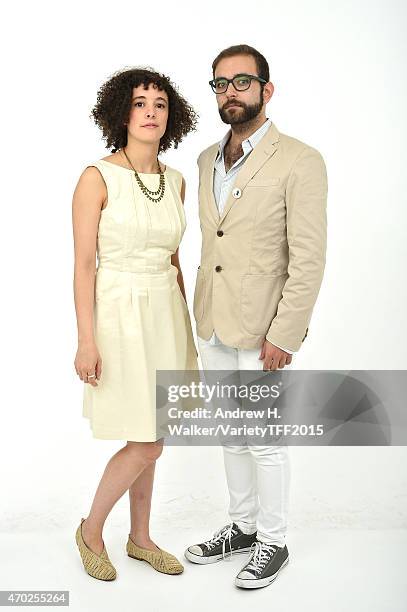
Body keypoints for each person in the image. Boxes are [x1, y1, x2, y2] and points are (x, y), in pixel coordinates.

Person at [184, 44, 328, 589]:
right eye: (220, 84)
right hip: (214, 323)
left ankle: (274, 541)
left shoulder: (300, 159)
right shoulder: (205, 160)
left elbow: (308, 256)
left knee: (264, 438)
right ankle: (241, 528)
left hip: (265, 328)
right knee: (231, 433)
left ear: (267, 90)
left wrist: (285, 334)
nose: (230, 93)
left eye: (242, 82)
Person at [72, 67, 198, 581]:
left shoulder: (177, 181)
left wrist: (186, 326)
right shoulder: (96, 177)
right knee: (144, 438)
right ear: (120, 112)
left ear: (172, 116)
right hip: (118, 312)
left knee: (155, 429)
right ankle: (90, 530)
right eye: (140, 103)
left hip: (167, 312)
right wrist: (85, 339)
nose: (150, 112)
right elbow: (83, 265)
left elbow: (173, 259)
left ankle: (140, 538)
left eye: (160, 104)